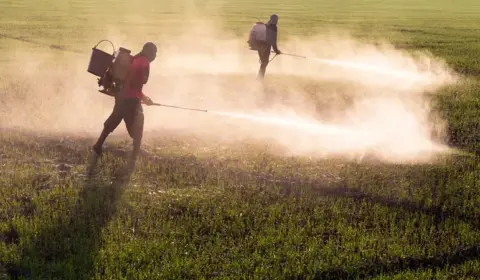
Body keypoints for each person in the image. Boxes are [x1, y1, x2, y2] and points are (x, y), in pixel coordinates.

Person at [92, 42, 157, 160]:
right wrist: (143, 98)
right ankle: (136, 151)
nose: (155, 56)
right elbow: (136, 84)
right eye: (154, 52)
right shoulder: (144, 62)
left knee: (114, 120)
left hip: (121, 96)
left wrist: (144, 98)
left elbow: (130, 83)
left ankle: (98, 145)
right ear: (148, 51)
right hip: (131, 100)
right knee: (138, 123)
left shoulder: (135, 59)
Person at [257, 14, 282, 80]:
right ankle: (259, 79)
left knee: (263, 62)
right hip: (266, 48)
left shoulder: (265, 25)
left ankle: (259, 78)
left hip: (259, 47)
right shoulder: (274, 27)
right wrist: (276, 50)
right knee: (264, 63)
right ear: (276, 20)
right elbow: (273, 41)